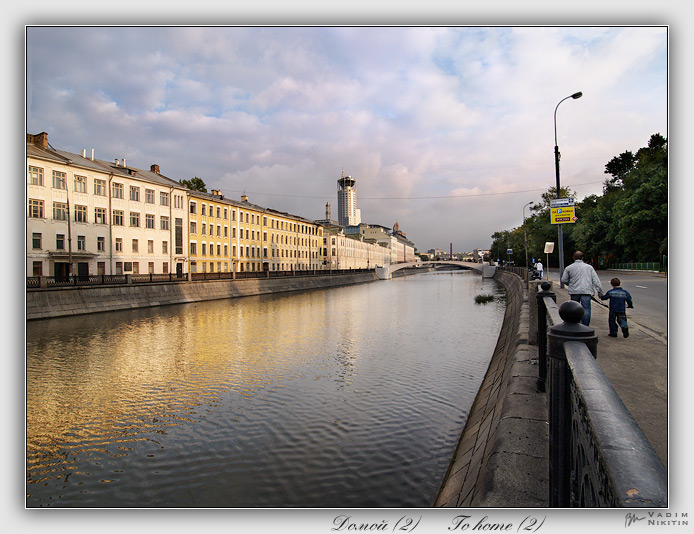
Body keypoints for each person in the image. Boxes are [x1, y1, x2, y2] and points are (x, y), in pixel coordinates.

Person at [560, 251, 604, 326]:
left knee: (574, 309)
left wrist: (570, 284)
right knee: (586, 309)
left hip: (574, 291)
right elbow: (596, 281)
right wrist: (600, 292)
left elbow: (564, 280)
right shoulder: (589, 268)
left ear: (573, 258)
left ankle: (575, 325)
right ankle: (585, 326)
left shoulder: (569, 268)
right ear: (583, 258)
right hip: (586, 291)